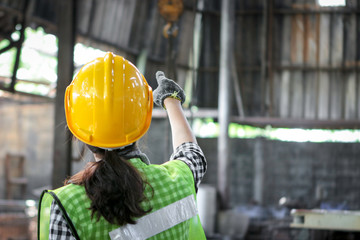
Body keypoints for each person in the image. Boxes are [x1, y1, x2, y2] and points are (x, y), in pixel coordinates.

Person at [38, 52, 207, 239]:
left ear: (78, 131)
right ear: (142, 122)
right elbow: (192, 153)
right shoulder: (179, 181)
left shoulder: (67, 206)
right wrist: (171, 100)